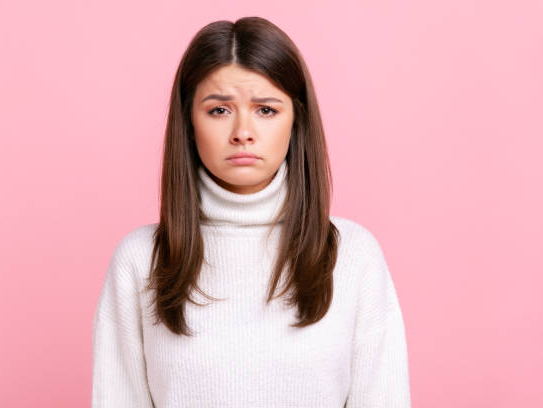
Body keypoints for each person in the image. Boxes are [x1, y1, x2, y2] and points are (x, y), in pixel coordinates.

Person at [91, 16, 411, 408]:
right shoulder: (140, 260)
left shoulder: (353, 255)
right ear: (189, 123)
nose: (243, 131)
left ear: (296, 121)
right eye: (219, 110)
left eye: (265, 110)